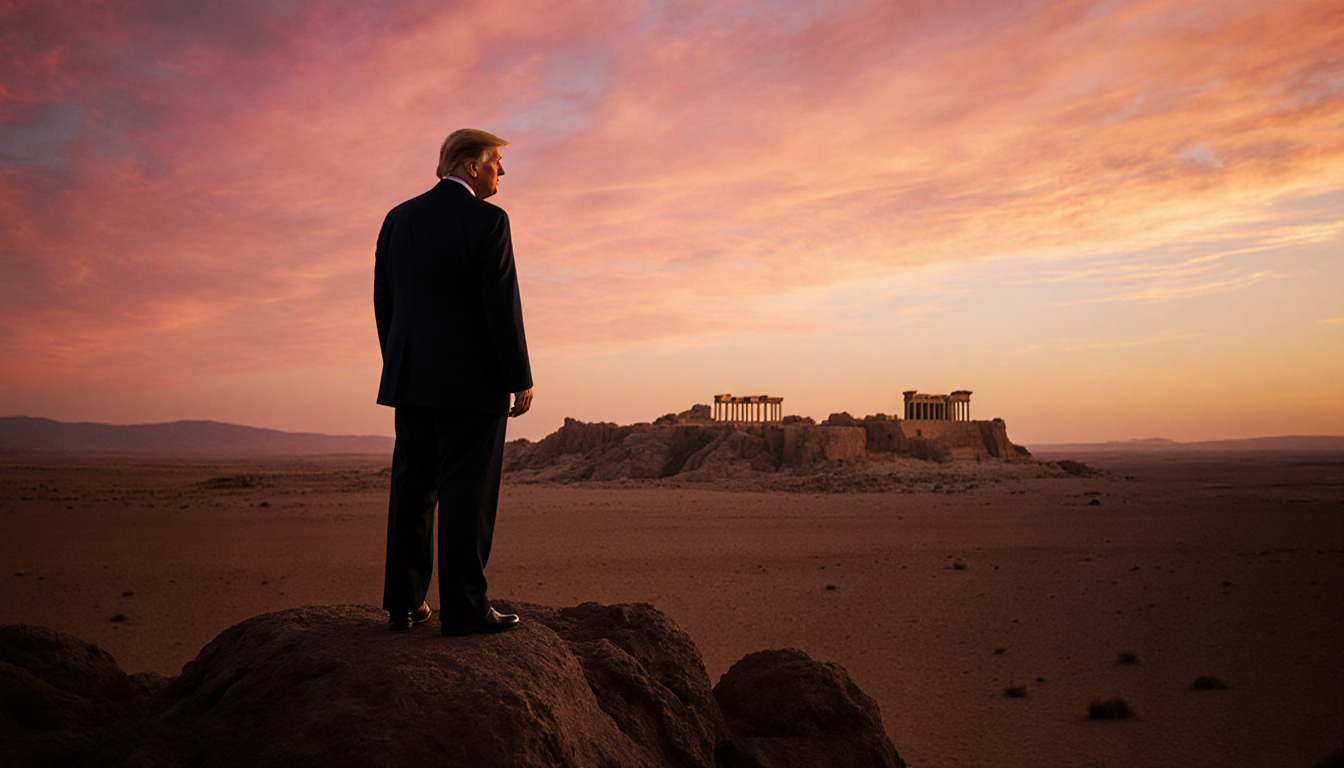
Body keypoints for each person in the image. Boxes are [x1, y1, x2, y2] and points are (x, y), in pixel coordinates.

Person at [374, 129, 533, 635]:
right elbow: (500, 301)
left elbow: (385, 302)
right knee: (469, 493)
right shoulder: (488, 220)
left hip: (412, 376)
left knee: (413, 486)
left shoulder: (398, 218)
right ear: (469, 167)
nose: (501, 173)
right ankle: (464, 609)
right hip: (472, 384)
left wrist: (400, 362)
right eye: (495, 163)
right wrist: (519, 376)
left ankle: (404, 603)